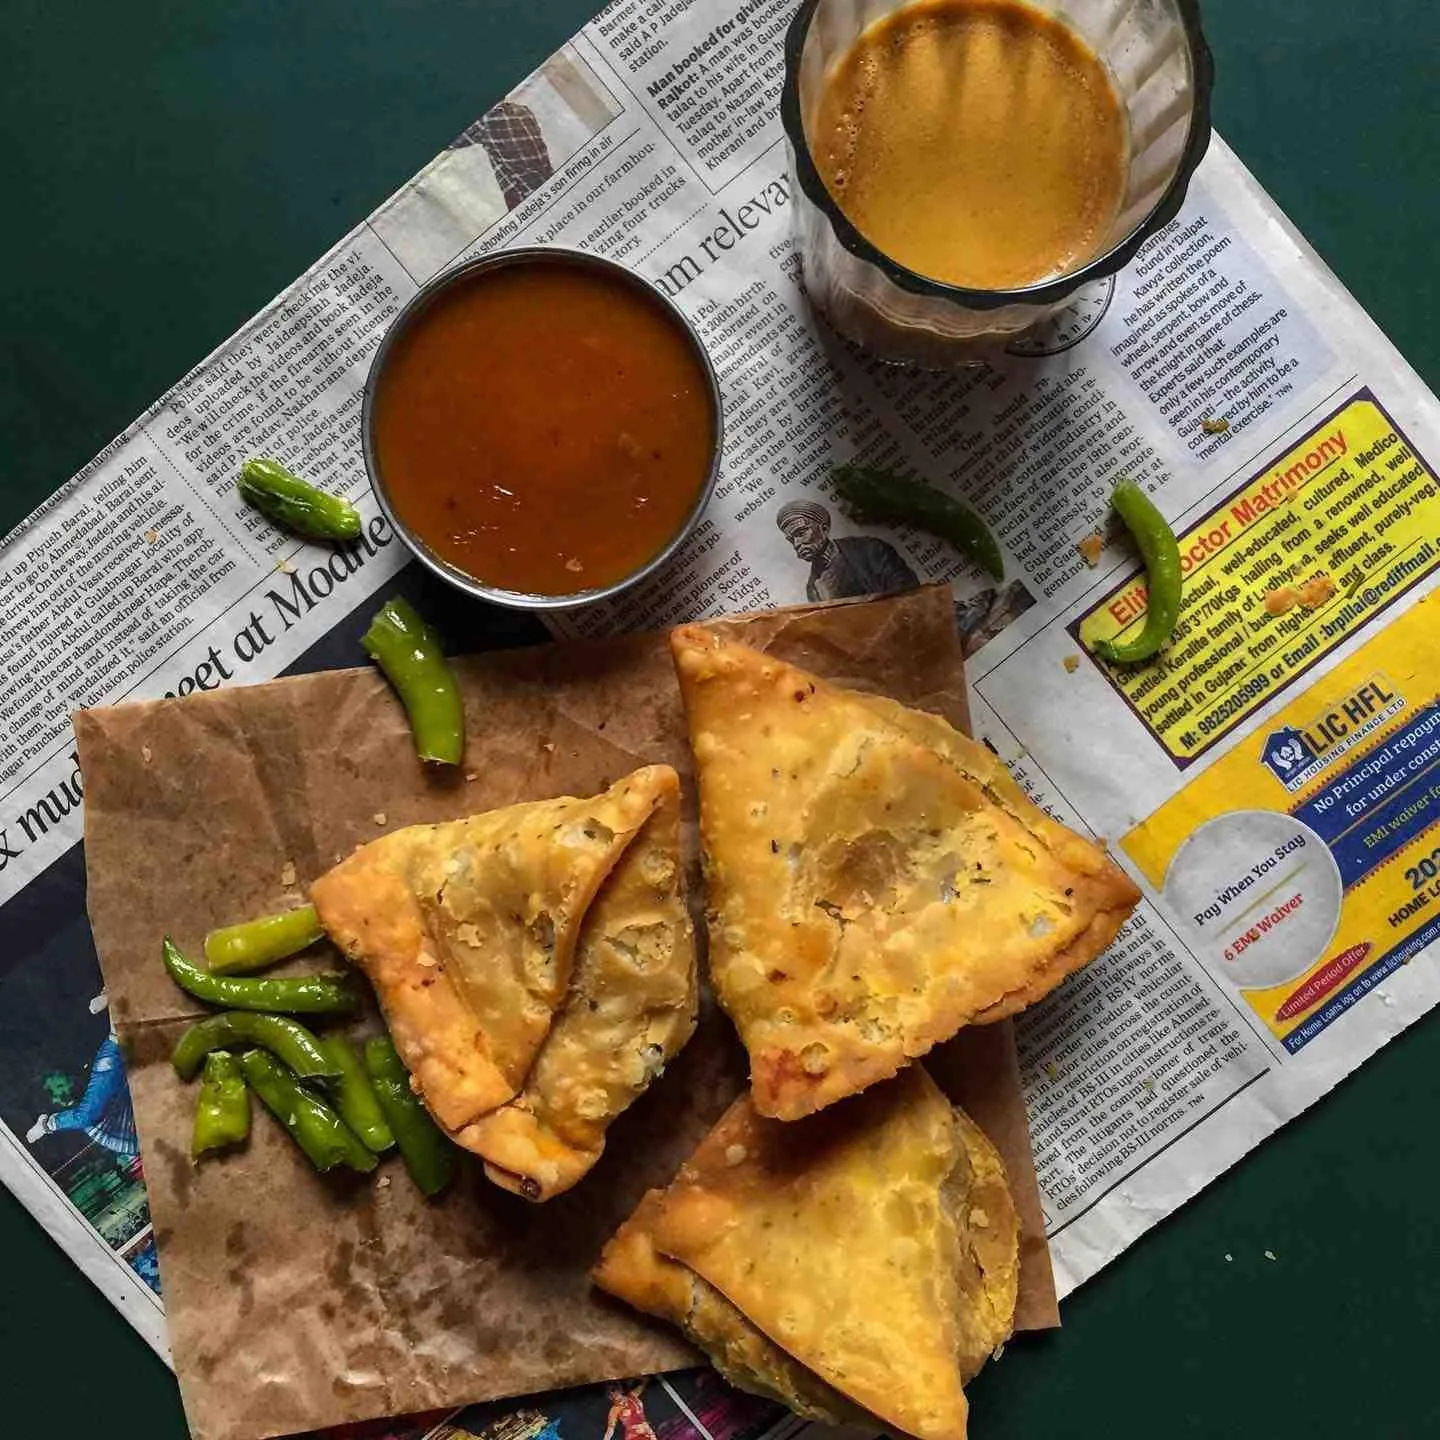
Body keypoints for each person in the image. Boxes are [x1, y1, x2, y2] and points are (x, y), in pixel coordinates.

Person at [776, 499, 919, 603]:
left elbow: (907, 589)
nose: (796, 544)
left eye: (801, 533)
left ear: (824, 529)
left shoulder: (870, 549)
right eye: (791, 539)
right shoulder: (814, 588)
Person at [452, 100, 555, 209]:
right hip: (548, 186)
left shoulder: (489, 120)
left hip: (528, 196)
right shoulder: (522, 110)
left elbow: (450, 144)